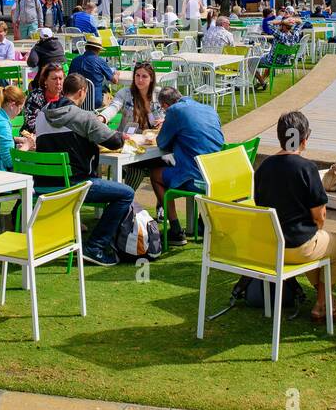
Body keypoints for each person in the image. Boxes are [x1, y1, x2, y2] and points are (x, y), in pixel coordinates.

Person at [254, 110, 336, 323]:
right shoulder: (307, 168)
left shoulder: (263, 168)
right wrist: (315, 230)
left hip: (270, 247)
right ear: (305, 138)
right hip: (297, 249)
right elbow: (320, 216)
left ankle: (327, 302)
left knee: (315, 245)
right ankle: (322, 303)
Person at [34, 73, 134, 266]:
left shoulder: (42, 114)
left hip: (43, 184)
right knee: (126, 194)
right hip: (75, 185)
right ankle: (95, 247)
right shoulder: (83, 117)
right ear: (82, 92)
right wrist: (122, 137)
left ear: (64, 90)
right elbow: (113, 142)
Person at [148, 85, 224, 245]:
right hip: (216, 176)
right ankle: (202, 221)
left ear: (165, 106)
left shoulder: (175, 112)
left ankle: (175, 229)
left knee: (155, 174)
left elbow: (161, 142)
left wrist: (168, 126)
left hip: (196, 178)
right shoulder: (208, 108)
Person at [101, 62, 163, 134]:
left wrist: (164, 121)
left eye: (144, 76)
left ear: (151, 78)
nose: (140, 80)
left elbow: (169, 115)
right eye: (137, 75)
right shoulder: (124, 93)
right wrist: (102, 117)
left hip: (151, 138)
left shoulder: (159, 95)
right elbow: (113, 108)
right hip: (127, 138)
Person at [68, 34, 121, 108]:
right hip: (95, 101)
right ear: (99, 50)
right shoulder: (100, 61)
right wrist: (117, 73)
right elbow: (114, 80)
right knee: (111, 98)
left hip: (75, 101)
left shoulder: (75, 60)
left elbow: (69, 80)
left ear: (86, 47)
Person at [255, 16, 303, 88]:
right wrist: (290, 21)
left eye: (281, 25)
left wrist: (282, 21)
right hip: (284, 62)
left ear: (284, 26)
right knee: (268, 57)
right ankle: (262, 81)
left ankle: (262, 82)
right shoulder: (295, 36)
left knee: (249, 62)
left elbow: (267, 23)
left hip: (272, 61)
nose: (279, 26)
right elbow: (300, 22)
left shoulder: (281, 36)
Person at [22, 62, 65, 133]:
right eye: (54, 79)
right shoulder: (35, 97)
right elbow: (31, 124)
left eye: (60, 78)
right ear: (45, 81)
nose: (58, 82)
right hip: (35, 138)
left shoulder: (65, 96)